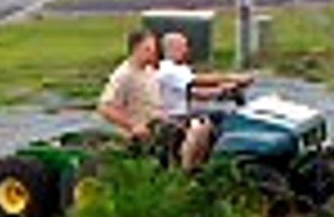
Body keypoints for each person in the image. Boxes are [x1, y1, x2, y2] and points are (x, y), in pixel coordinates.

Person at [156, 32, 254, 169]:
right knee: (217, 121)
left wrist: (224, 91)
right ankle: (196, 165)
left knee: (221, 115)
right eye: (184, 46)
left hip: (183, 114)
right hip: (173, 118)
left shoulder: (180, 69)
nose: (187, 51)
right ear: (173, 48)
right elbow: (201, 81)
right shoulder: (168, 69)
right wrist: (234, 78)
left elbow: (196, 93)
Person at [98, 29, 164, 141]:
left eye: (154, 49)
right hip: (139, 134)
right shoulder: (124, 75)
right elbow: (105, 108)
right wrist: (133, 125)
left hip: (157, 127)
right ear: (135, 49)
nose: (153, 53)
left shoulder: (149, 70)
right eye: (147, 49)